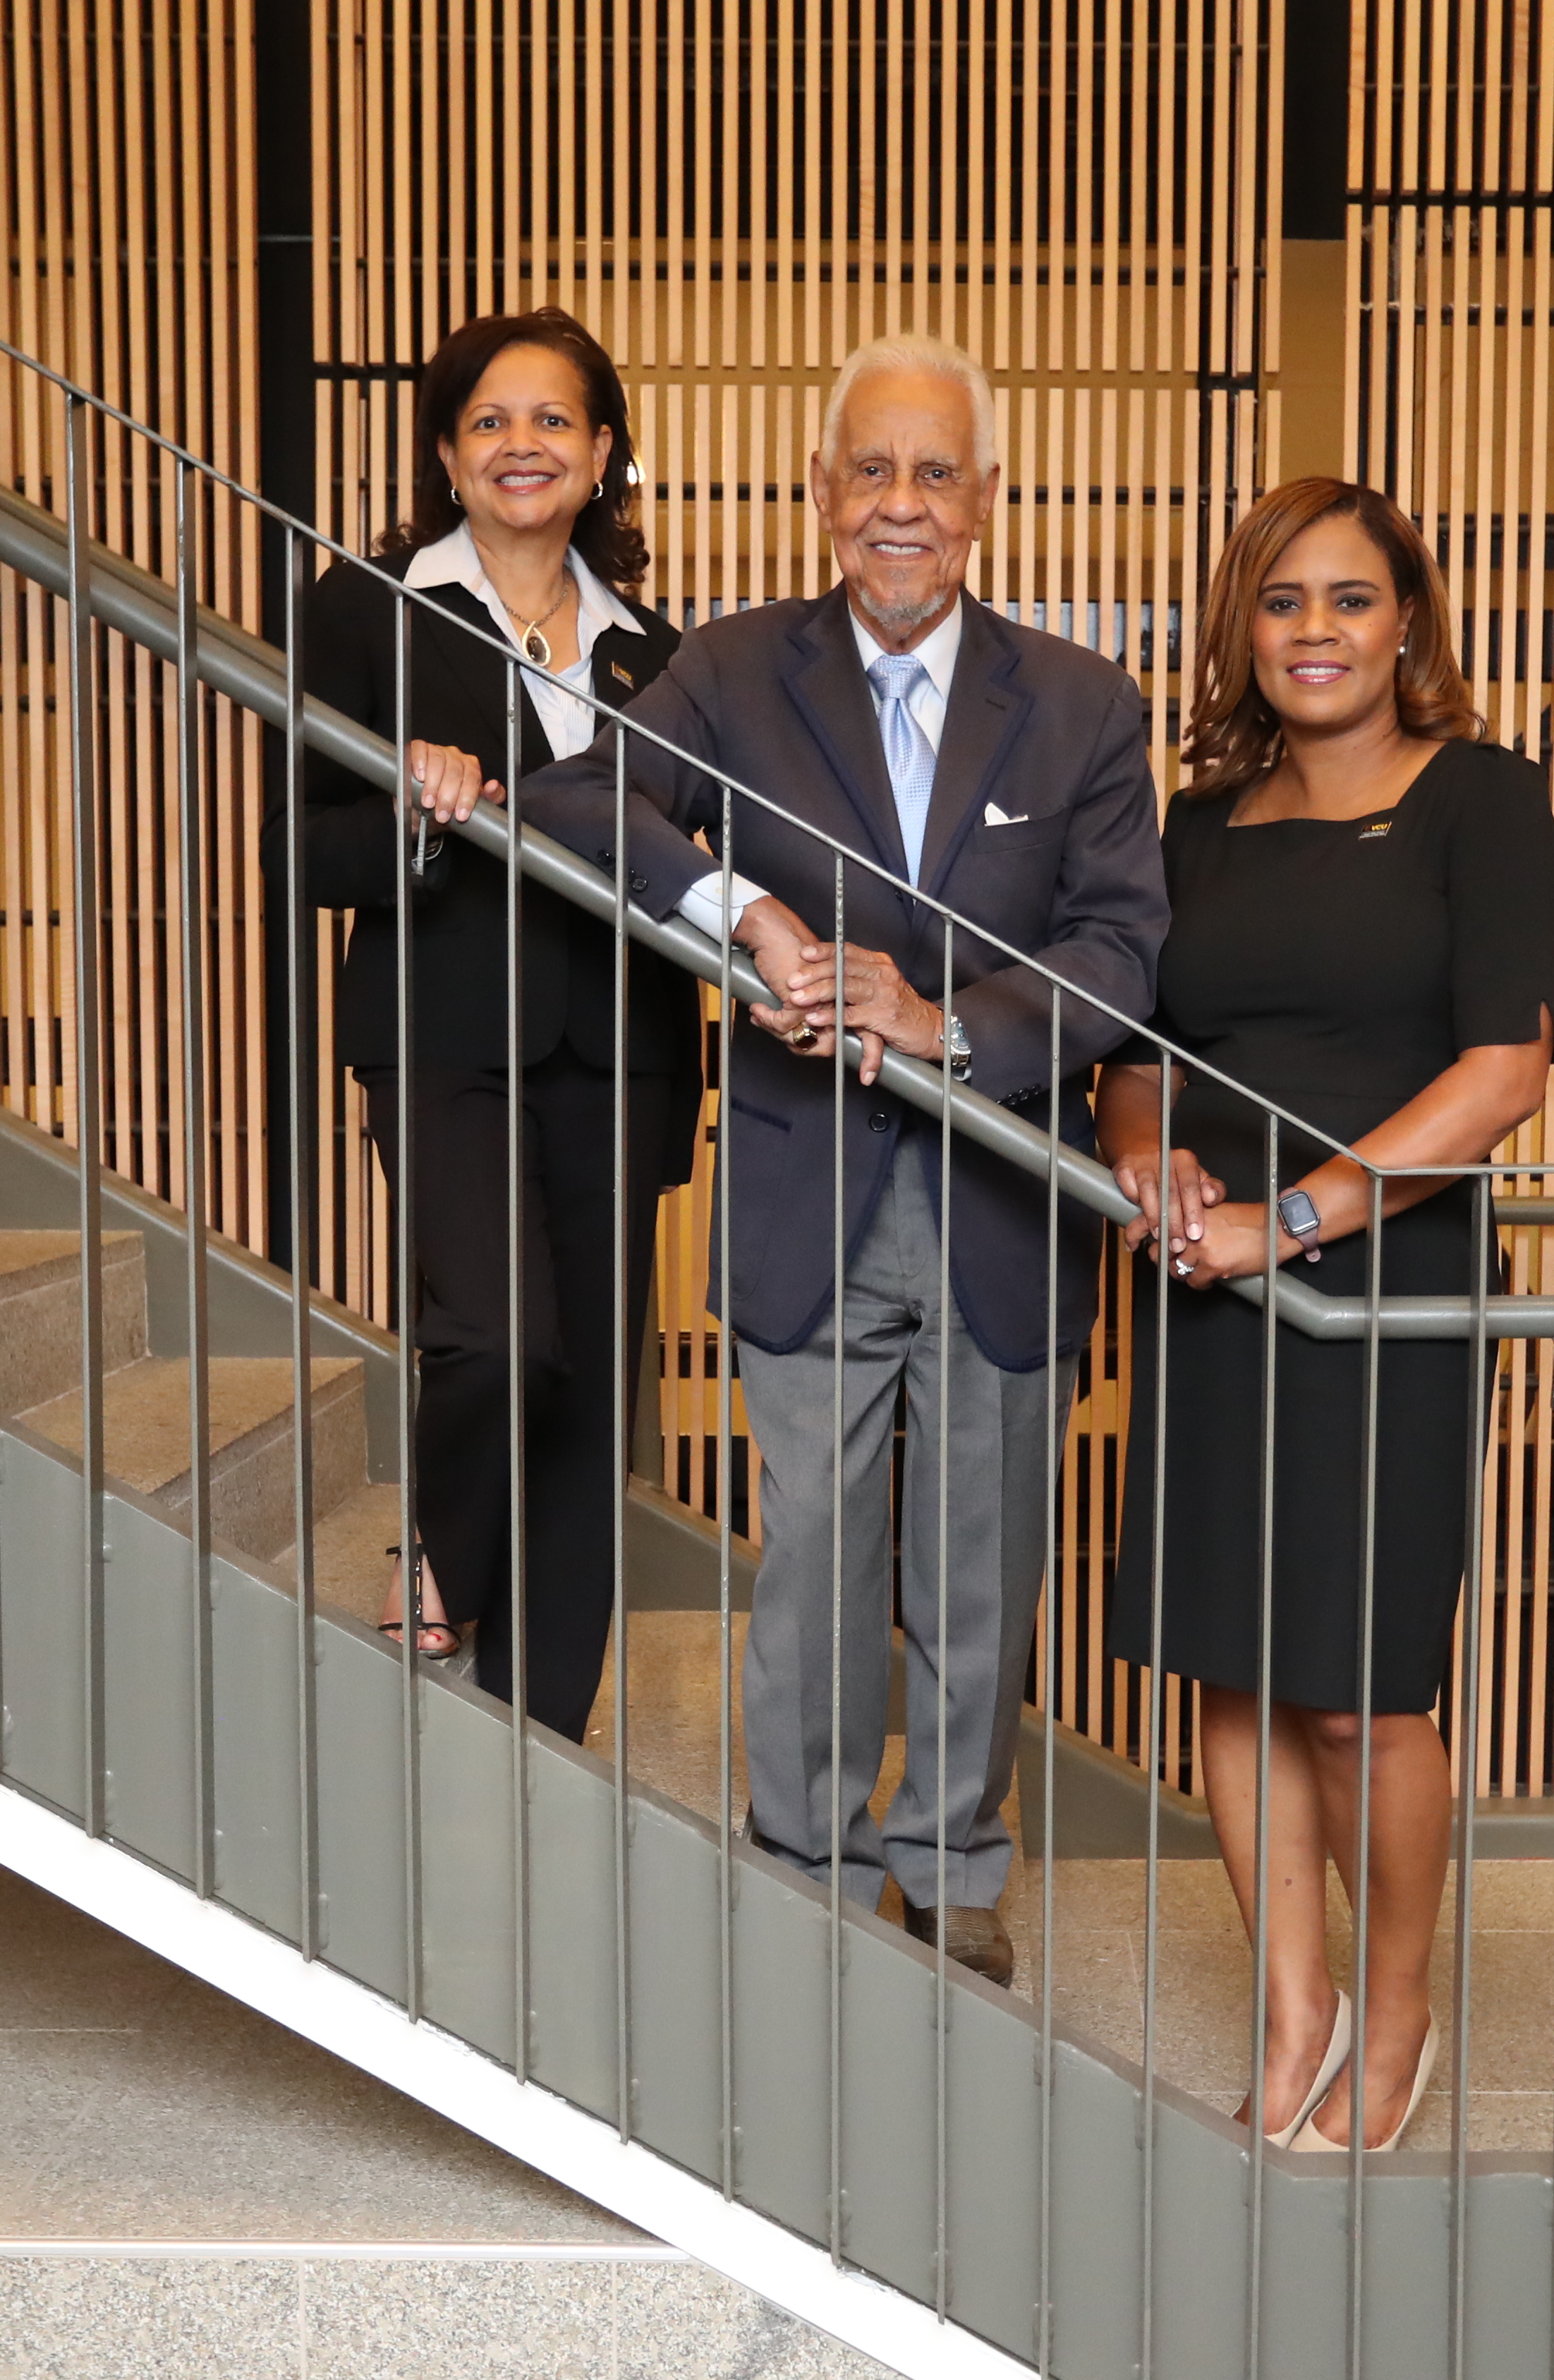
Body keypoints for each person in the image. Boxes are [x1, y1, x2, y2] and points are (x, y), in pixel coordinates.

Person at [532, 334, 1168, 1986]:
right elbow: (590, 802)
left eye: (935, 473)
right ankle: (801, 1852)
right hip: (807, 1189)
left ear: (987, 503)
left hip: (1000, 1204)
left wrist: (943, 1017)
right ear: (823, 495)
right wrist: (740, 916)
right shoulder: (735, 675)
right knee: (814, 1549)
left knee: (981, 1557)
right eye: (872, 471)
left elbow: (1120, 954)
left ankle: (953, 1861)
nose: (903, 505)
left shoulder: (1087, 707)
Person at [1097, 479, 1554, 2149]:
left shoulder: (1486, 805)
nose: (1316, 631)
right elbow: (1136, 1053)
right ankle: (1296, 2000)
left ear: (1409, 622)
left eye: (1350, 599)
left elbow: (1504, 1073)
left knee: (1363, 1684)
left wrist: (1288, 1219)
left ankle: (1405, 1995)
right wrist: (1150, 1168)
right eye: (1283, 601)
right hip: (1206, 1273)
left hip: (1386, 1280)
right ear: (1246, 629)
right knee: (1234, 1667)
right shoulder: (1200, 826)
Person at [278, 308, 692, 1738]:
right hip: (445, 1025)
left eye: (555, 421)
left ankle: (541, 1739)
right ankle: (443, 1559)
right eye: (491, 423)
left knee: (588, 1413)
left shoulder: (658, 652)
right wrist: (406, 803)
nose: (524, 446)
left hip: (620, 1049)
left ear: (603, 455)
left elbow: (693, 860)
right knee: (498, 1342)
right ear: (449, 456)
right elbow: (297, 848)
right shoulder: (366, 609)